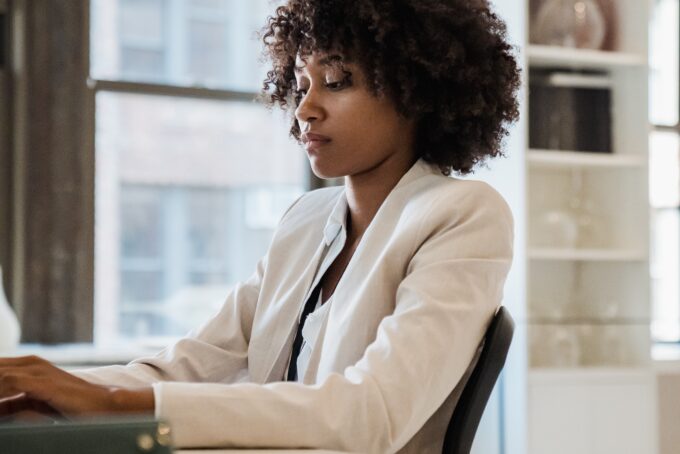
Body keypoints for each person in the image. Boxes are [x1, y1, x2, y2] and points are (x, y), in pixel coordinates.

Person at [0, 0, 520, 452]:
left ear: (415, 89)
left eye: (336, 82)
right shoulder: (305, 222)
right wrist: (43, 389)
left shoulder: (463, 214)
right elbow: (192, 364)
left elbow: (373, 412)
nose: (305, 109)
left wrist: (112, 403)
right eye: (300, 85)